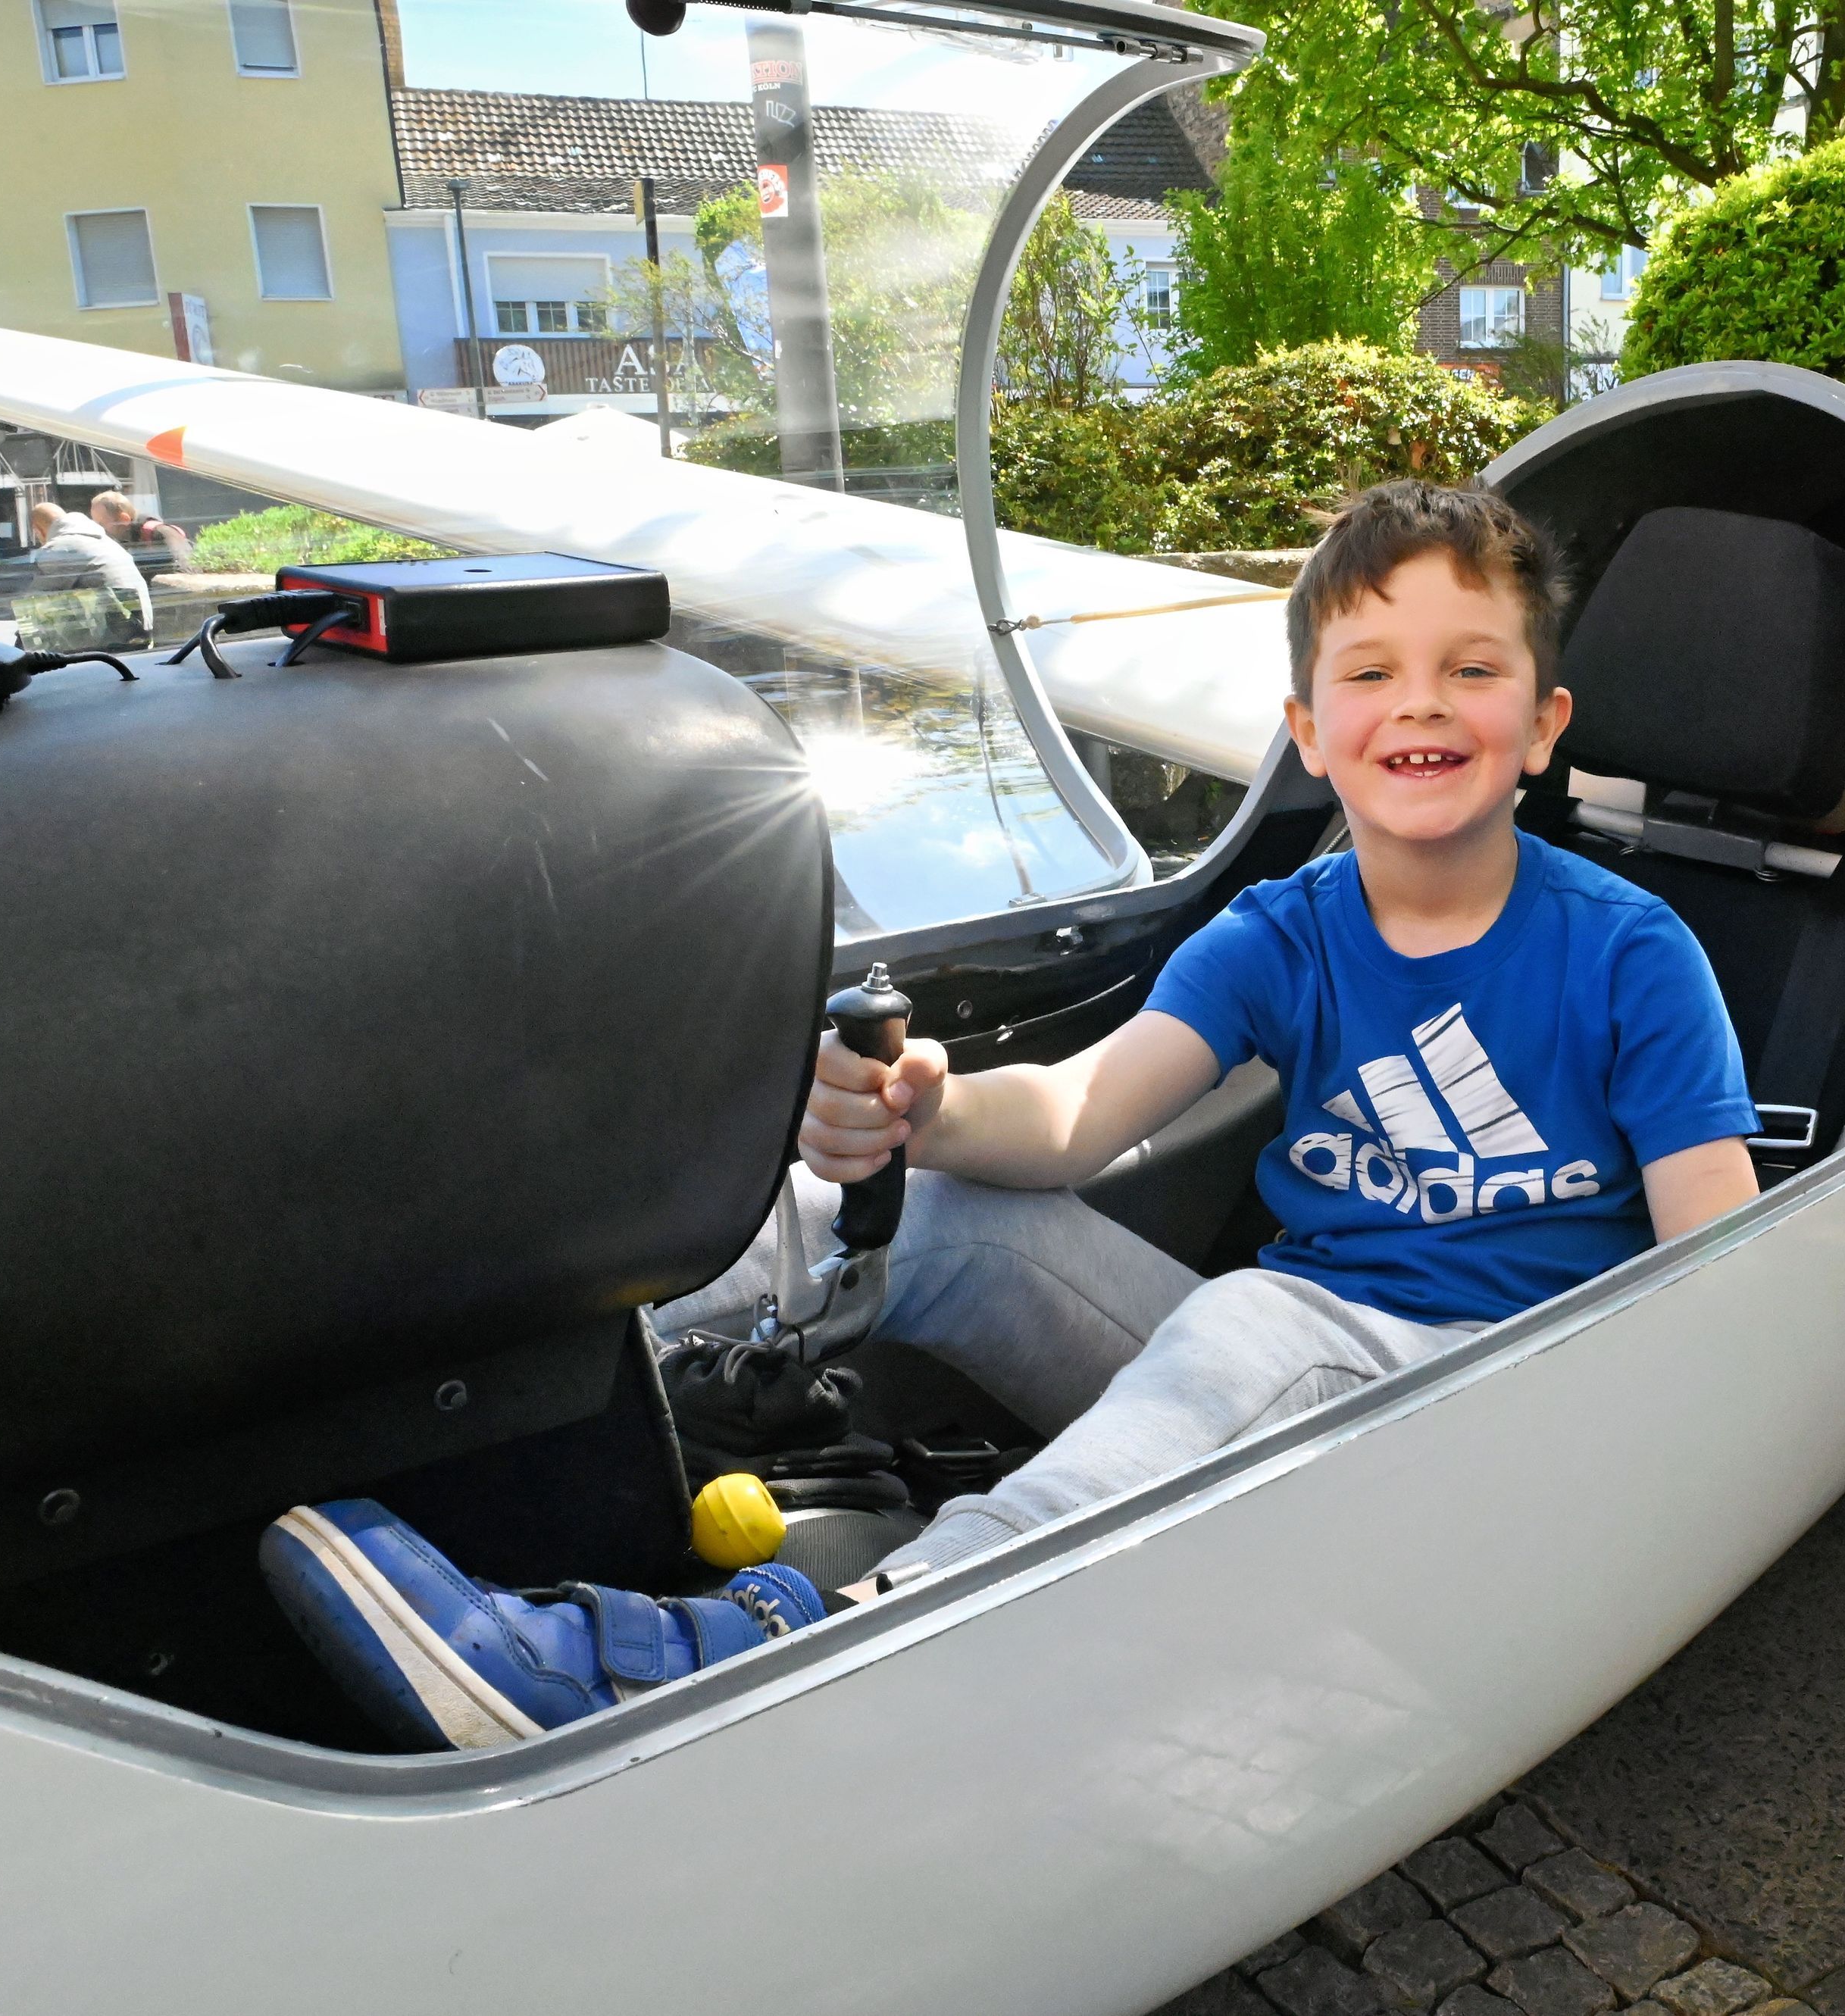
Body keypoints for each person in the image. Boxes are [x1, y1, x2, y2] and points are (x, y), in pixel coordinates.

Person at [261, 480, 1764, 1750]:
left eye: (1470, 669)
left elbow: (1724, 1277)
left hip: (1488, 1420)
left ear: (1543, 724)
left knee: (1256, 1321)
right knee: (937, 1211)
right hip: (1288, 1386)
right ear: (1308, 732)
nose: (1420, 702)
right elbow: (1074, 1116)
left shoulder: (1629, 954)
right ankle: (421, 1406)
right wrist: (923, 1103)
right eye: (1370, 673)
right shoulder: (1281, 934)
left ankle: (790, 1643)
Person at [18, 499, 151, 649]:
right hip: (142, 632)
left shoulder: (58, 548)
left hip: (114, 643)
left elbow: (32, 602)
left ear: (38, 531)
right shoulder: (106, 542)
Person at [89, 489, 191, 567]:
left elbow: (186, 568)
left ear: (124, 519)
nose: (98, 530)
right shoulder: (123, 542)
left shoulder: (161, 533)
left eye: (102, 524)